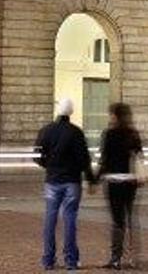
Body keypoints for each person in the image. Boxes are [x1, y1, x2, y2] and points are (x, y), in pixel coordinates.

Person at [34, 97, 96, 271]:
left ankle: (48, 260)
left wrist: (49, 166)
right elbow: (85, 159)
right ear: (71, 112)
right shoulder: (76, 132)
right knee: (70, 220)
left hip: (52, 180)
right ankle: (70, 260)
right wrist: (91, 179)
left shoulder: (46, 131)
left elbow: (37, 156)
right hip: (72, 181)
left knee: (50, 219)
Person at [97, 103, 144, 270]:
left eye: (111, 114)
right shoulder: (133, 134)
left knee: (117, 221)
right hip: (131, 181)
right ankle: (133, 258)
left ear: (115, 116)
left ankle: (116, 258)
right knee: (131, 218)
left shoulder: (109, 134)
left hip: (114, 181)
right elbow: (140, 156)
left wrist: (95, 179)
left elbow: (104, 160)